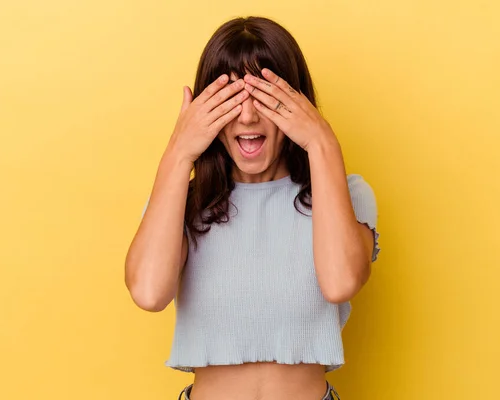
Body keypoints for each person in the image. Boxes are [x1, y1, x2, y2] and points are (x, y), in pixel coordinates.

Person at [125, 16, 380, 400]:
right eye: (230, 101)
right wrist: (179, 153)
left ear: (296, 105)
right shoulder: (181, 202)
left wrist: (321, 144)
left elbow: (341, 281)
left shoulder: (345, 196)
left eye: (265, 99)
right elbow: (147, 292)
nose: (247, 117)